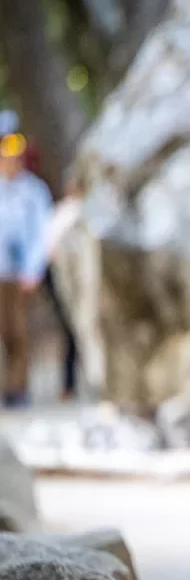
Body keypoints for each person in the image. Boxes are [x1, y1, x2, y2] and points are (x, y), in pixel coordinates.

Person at [0, 110, 53, 408]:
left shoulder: (33, 191)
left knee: (18, 332)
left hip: (20, 273)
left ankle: (16, 389)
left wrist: (33, 269)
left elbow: (40, 233)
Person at [43, 170, 82, 401]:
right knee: (73, 333)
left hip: (78, 286)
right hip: (68, 284)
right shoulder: (66, 215)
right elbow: (50, 250)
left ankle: (73, 384)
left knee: (74, 335)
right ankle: (69, 384)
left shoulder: (78, 213)